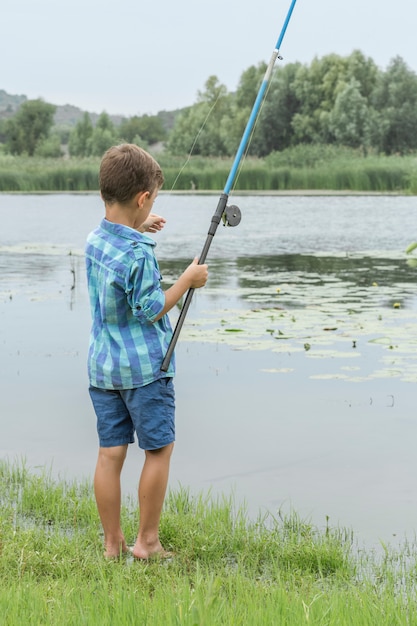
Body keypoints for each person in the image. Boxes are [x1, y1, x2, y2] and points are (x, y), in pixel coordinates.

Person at [85, 143, 208, 559]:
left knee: (110, 453)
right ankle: (147, 543)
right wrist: (187, 280)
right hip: (144, 371)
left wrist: (136, 226)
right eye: (151, 199)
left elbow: (119, 241)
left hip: (103, 370)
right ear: (143, 199)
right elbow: (152, 308)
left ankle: (111, 544)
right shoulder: (138, 254)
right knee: (158, 450)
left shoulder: (95, 240)